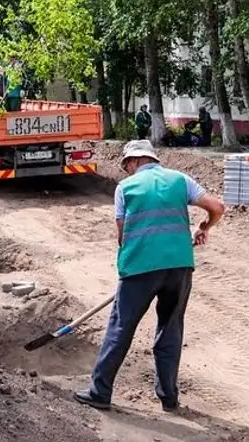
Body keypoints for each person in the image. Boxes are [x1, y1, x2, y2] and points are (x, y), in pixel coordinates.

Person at [74, 139, 225, 413]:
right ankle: (169, 398)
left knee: (121, 328)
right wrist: (203, 227)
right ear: (152, 159)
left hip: (140, 268)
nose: (127, 170)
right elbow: (217, 207)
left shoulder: (125, 187)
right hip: (179, 266)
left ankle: (100, 392)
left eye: (127, 166)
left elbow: (122, 236)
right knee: (171, 329)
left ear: (132, 162)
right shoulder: (180, 180)